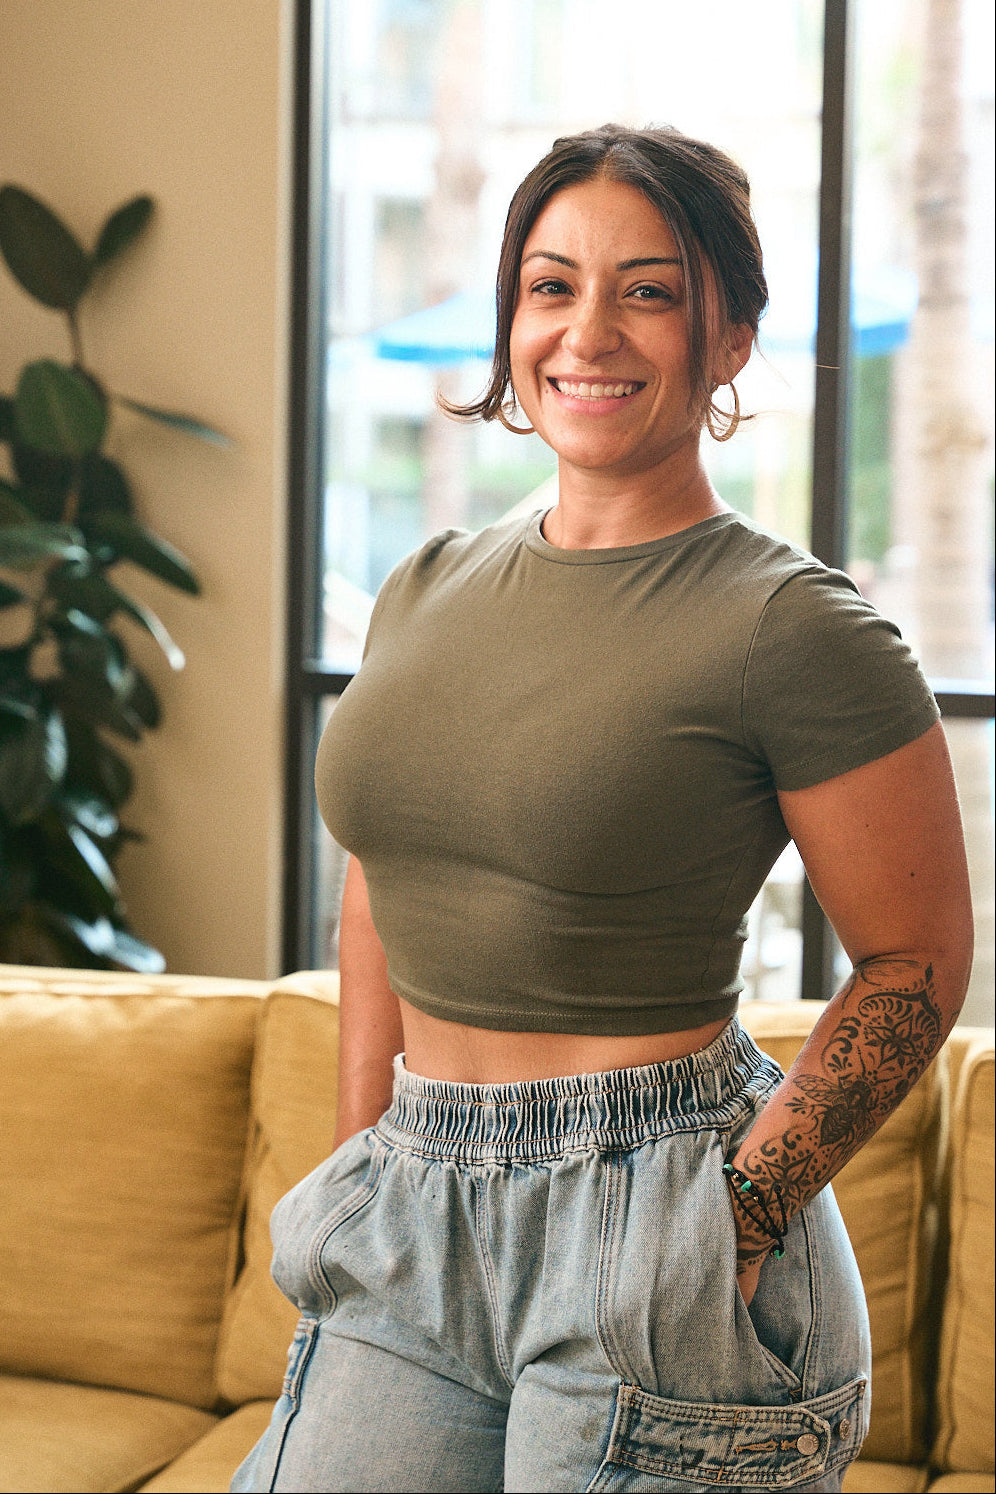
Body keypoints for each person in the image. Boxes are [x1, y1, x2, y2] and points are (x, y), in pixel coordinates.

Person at [233, 124, 973, 1494]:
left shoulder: (791, 625)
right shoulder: (428, 583)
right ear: (516, 319)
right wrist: (361, 1166)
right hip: (413, 1206)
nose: (589, 330)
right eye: (551, 284)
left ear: (730, 338)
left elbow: (919, 959)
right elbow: (377, 888)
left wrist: (735, 1215)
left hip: (656, 1222)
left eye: (648, 289)